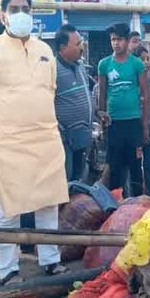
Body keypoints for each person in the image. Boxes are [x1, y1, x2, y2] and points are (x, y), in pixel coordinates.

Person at [0, 0, 69, 285]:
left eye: (25, 8)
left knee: (48, 203)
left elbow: (50, 91)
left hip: (45, 139)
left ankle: (50, 260)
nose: (20, 13)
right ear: (2, 14)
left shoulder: (45, 50)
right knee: (7, 208)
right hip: (8, 143)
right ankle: (8, 269)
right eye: (13, 9)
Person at [97, 23, 150, 197]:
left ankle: (137, 204)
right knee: (114, 167)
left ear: (127, 41)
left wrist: (144, 126)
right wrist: (103, 121)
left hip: (133, 123)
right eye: (113, 39)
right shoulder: (104, 65)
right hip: (114, 124)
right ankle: (115, 208)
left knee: (135, 167)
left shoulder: (137, 64)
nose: (116, 43)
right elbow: (102, 94)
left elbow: (145, 96)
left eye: (119, 39)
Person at [55, 24, 93, 182]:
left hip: (83, 135)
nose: (82, 47)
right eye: (77, 44)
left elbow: (85, 95)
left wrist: (97, 112)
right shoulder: (52, 69)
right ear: (63, 47)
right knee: (66, 178)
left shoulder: (80, 67)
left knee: (80, 176)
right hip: (64, 139)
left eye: (81, 42)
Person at [132, 46, 150, 200]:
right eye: (142, 59)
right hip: (136, 128)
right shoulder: (130, 80)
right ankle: (135, 197)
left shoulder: (149, 80)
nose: (146, 62)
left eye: (148, 59)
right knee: (135, 164)